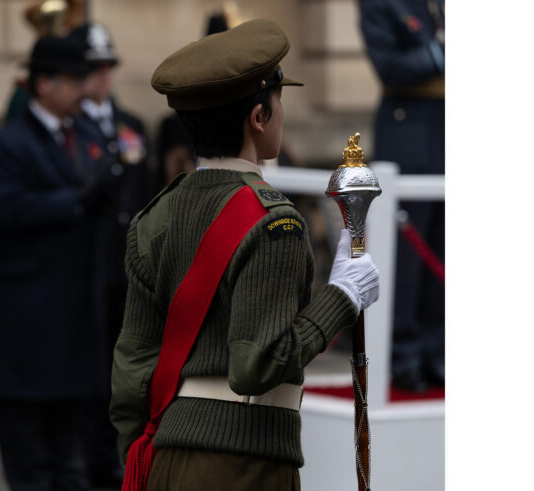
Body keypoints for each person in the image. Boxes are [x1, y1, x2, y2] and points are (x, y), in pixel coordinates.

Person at [109, 19, 381, 490]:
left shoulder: (153, 216)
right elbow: (256, 365)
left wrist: (146, 456)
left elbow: (132, 367)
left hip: (163, 457)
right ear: (258, 118)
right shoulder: (276, 222)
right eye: (278, 102)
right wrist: (341, 296)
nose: (282, 114)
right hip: (242, 466)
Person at [0, 35, 122, 491]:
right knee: (32, 469)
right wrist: (77, 197)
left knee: (74, 468)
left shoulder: (88, 134)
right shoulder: (8, 142)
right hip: (27, 335)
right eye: (74, 79)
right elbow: (15, 208)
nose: (85, 88)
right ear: (44, 84)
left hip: (77, 333)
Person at [67, 21, 153, 487]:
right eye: (92, 69)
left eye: (106, 68)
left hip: (128, 265)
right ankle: (93, 455)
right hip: (90, 265)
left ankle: (123, 452)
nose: (101, 77)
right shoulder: (72, 129)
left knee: (130, 363)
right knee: (92, 367)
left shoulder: (131, 126)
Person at [359, 0, 445, 392]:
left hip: (444, 124)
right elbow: (389, 65)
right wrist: (438, 53)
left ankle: (438, 352)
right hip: (408, 125)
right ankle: (404, 355)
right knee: (407, 258)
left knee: (443, 249)